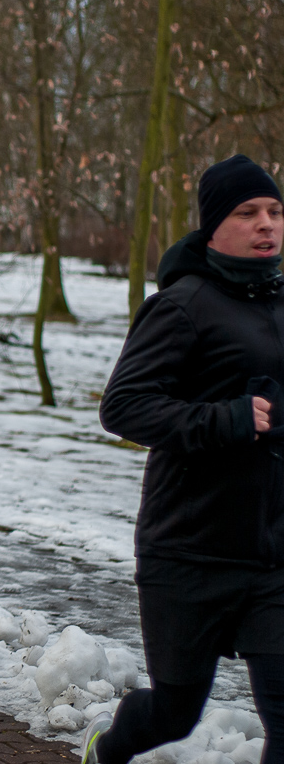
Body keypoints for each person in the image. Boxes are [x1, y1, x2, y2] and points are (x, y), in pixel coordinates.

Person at [90, 155, 284, 764]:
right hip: (190, 551)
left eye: (275, 211)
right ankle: (108, 748)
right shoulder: (183, 305)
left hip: (272, 554)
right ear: (213, 226)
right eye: (248, 212)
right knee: (175, 711)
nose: (266, 224)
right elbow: (123, 406)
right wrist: (226, 419)